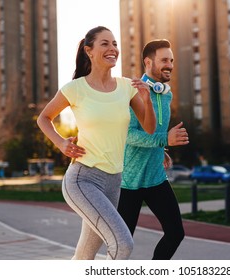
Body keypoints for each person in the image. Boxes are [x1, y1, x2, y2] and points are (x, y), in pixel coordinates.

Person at [37, 26, 156, 260]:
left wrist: (147, 101)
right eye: (105, 44)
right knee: (122, 244)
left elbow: (149, 128)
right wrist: (61, 143)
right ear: (89, 51)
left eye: (114, 44)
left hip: (114, 181)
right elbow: (44, 118)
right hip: (83, 179)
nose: (113, 49)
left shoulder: (126, 88)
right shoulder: (76, 88)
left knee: (84, 255)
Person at [117, 39, 189, 260]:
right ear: (148, 62)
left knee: (176, 233)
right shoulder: (132, 92)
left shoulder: (166, 93)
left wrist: (162, 149)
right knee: (123, 245)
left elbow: (154, 131)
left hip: (156, 178)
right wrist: (163, 140)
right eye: (164, 60)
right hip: (129, 181)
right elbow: (128, 135)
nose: (170, 65)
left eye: (172, 60)